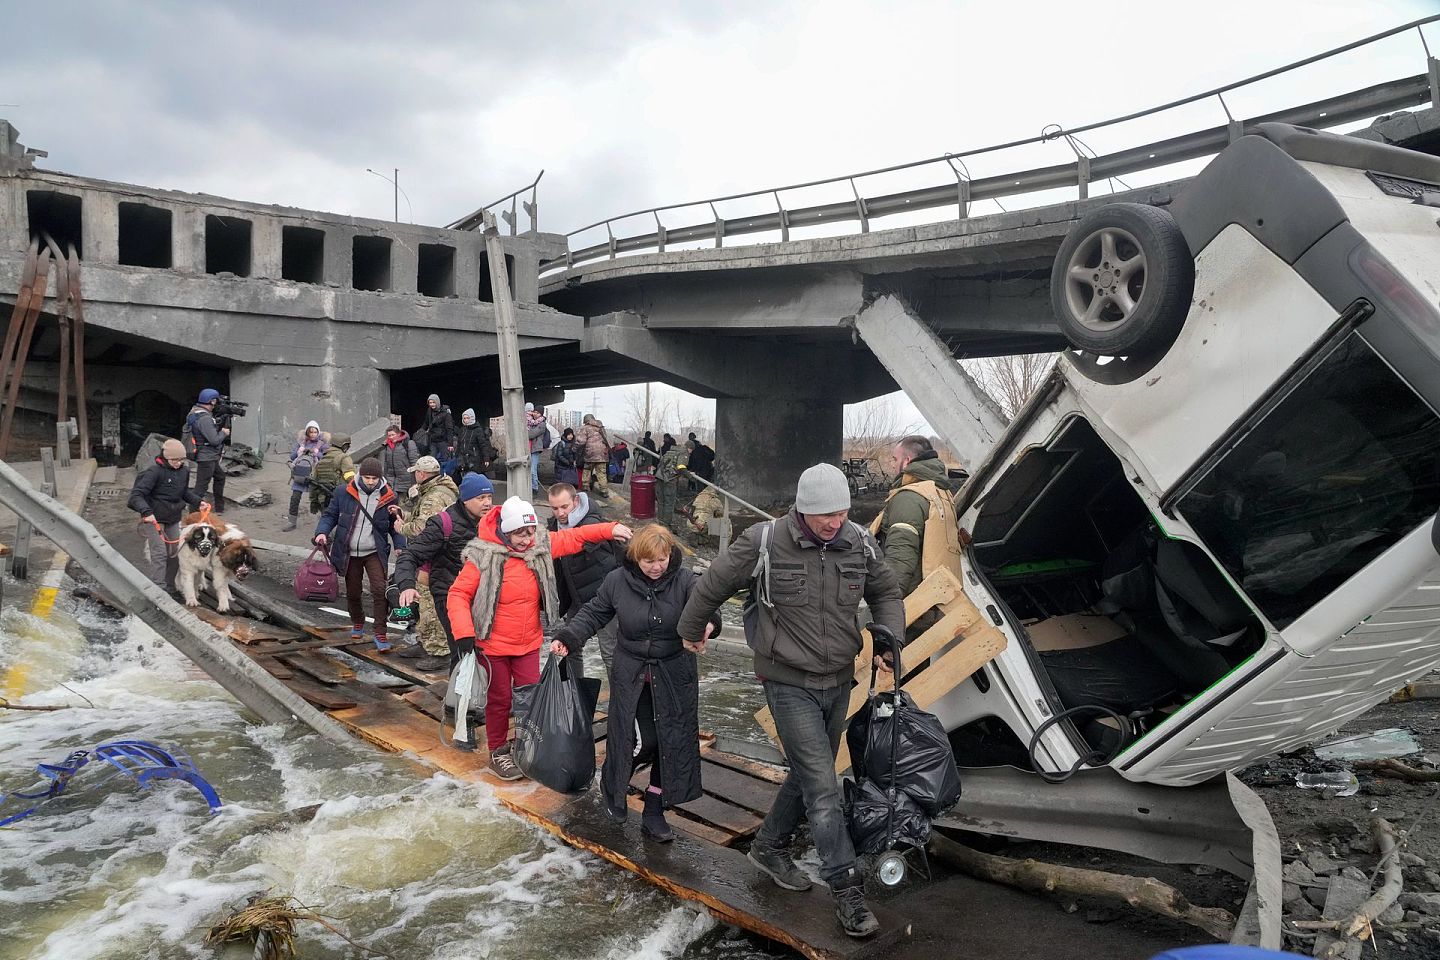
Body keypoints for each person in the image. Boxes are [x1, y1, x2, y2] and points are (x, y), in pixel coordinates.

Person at [677, 463, 905, 940]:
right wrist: (691, 628)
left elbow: (886, 591)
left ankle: (769, 847)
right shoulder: (765, 541)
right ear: (802, 509)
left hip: (839, 678)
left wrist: (888, 640)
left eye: (841, 513)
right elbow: (714, 582)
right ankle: (847, 891)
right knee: (825, 788)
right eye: (825, 515)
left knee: (808, 771)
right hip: (786, 680)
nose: (834, 522)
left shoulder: (858, 541)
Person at [550, 524, 719, 841]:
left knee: (671, 744)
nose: (657, 567)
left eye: (663, 559)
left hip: (675, 675)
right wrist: (569, 638)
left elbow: (706, 606)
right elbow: (594, 612)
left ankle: (655, 809)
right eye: (649, 562)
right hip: (632, 674)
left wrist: (708, 624)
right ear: (635, 559)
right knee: (642, 741)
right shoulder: (616, 581)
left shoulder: (685, 580)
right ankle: (614, 780)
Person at [446, 497, 632, 772]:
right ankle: (498, 749)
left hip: (528, 642)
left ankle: (526, 744)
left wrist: (610, 528)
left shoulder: (540, 547)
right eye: (520, 533)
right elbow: (458, 594)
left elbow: (574, 537)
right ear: (506, 531)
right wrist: (463, 632)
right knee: (500, 700)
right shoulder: (483, 555)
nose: (527, 539)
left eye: (531, 531)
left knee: (531, 697)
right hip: (492, 644)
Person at [393, 472, 494, 670]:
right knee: (462, 650)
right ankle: (457, 697)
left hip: (482, 596)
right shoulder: (443, 523)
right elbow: (410, 555)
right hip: (449, 595)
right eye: (481, 498)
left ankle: (481, 695)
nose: (487, 503)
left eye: (489, 497)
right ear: (465, 500)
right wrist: (406, 585)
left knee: (485, 650)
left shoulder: (493, 521)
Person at [874, 435, 963, 640]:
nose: (892, 464)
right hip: (932, 603)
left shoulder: (909, 499)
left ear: (907, 462)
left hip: (909, 605)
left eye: (895, 459)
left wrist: (885, 611)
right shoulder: (939, 492)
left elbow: (900, 559)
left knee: (888, 666)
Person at [314, 457, 403, 652]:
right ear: (360, 475)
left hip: (374, 551)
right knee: (353, 592)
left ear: (380, 478)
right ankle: (357, 621)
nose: (370, 481)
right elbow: (330, 515)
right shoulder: (343, 492)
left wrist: (399, 545)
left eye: (374, 478)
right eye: (367, 477)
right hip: (349, 551)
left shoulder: (389, 496)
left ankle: (380, 632)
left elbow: (394, 526)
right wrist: (322, 532)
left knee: (380, 590)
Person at [546, 482, 622, 678]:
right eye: (555, 508)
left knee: (610, 653)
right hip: (575, 599)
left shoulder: (592, 521)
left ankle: (621, 699)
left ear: (576, 501)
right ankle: (575, 695)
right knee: (570, 648)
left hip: (604, 598)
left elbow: (582, 538)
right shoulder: (553, 526)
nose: (560, 513)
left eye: (565, 506)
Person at [393, 455, 459, 672]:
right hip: (436, 556)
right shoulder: (438, 491)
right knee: (424, 602)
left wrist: (402, 528)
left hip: (434, 558)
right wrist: (407, 514)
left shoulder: (433, 497)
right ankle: (426, 642)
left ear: (421, 474)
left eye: (416, 473)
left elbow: (423, 528)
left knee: (430, 602)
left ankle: (439, 651)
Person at [128, 437, 203, 591]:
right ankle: (158, 589)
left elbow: (183, 492)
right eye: (175, 460)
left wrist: (197, 501)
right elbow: (136, 495)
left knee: (175, 554)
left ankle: (170, 587)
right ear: (166, 458)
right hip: (154, 518)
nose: (179, 463)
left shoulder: (184, 471)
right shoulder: (153, 472)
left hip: (173, 517)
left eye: (181, 459)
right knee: (160, 553)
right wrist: (146, 512)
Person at [184, 388, 229, 512]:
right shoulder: (204, 418)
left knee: (220, 477)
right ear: (212, 401)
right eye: (215, 401)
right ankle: (193, 512)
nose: (217, 404)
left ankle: (219, 508)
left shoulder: (194, 412)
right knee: (201, 487)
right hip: (206, 456)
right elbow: (214, 440)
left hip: (207, 455)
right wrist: (223, 433)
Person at [284, 421, 328, 532]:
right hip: (300, 475)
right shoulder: (301, 442)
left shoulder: (323, 443)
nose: (313, 434)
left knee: (320, 500)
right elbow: (292, 455)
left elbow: (326, 458)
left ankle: (325, 524)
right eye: (310, 432)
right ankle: (291, 521)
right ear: (307, 432)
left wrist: (317, 453)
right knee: (295, 498)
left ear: (318, 432)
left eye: (315, 432)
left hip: (315, 476)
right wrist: (299, 451)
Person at [310, 432, 354, 515]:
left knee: (326, 522)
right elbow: (350, 477)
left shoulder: (321, 461)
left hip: (323, 500)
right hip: (341, 499)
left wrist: (313, 501)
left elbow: (313, 482)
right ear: (344, 446)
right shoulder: (343, 458)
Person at [380, 423, 420, 500]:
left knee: (403, 504)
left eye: (393, 435)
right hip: (391, 480)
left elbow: (414, 462)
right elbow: (386, 463)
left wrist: (415, 481)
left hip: (405, 479)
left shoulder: (408, 443)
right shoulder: (387, 446)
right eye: (389, 435)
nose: (391, 437)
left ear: (398, 434)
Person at [656, 441, 688, 531]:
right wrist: (690, 477)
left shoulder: (667, 453)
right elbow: (681, 467)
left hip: (659, 478)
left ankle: (660, 521)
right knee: (669, 502)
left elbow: (659, 465)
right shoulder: (682, 454)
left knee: (661, 501)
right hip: (669, 480)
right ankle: (666, 524)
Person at [577, 413, 611, 500]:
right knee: (601, 473)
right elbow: (605, 439)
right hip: (602, 454)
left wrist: (574, 448)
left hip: (590, 454)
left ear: (586, 421)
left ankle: (585, 487)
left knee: (587, 470)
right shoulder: (600, 427)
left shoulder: (585, 428)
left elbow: (581, 441)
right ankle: (604, 491)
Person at [422, 394, 457, 475]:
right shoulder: (429, 411)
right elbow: (426, 422)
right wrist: (421, 432)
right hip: (433, 439)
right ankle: (434, 476)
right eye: (430, 403)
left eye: (433, 402)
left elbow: (449, 429)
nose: (432, 404)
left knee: (446, 461)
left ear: (437, 402)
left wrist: (450, 443)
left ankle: (446, 476)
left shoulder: (445, 413)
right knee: (432, 460)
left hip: (443, 440)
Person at [457, 408, 494, 477]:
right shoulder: (462, 430)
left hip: (474, 458)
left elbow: (483, 445)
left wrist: (486, 458)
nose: (466, 420)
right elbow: (459, 444)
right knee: (464, 477)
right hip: (463, 459)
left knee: (473, 476)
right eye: (464, 418)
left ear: (472, 418)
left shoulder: (478, 430)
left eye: (467, 418)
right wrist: (457, 456)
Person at [525, 402, 547, 493]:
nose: (535, 414)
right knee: (529, 469)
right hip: (530, 448)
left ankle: (535, 488)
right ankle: (531, 487)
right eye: (534, 412)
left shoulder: (541, 424)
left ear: (541, 414)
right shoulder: (532, 422)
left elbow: (531, 434)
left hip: (535, 449)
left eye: (537, 413)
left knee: (533, 470)